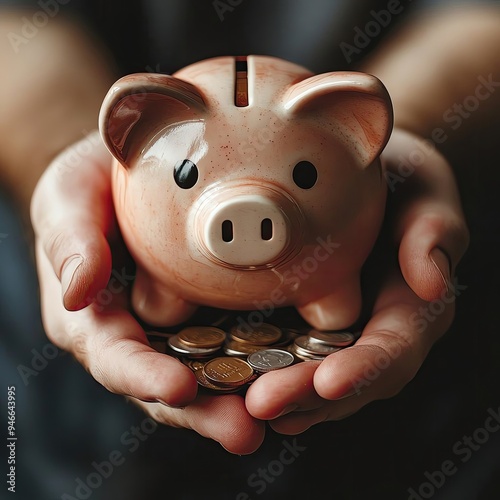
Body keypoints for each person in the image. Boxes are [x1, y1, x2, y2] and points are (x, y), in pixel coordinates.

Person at [1, 1, 499, 498]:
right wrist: (59, 157)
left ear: (359, 130)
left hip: (426, 428)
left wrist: (412, 131)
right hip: (73, 423)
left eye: (306, 173)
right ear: (129, 129)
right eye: (187, 174)